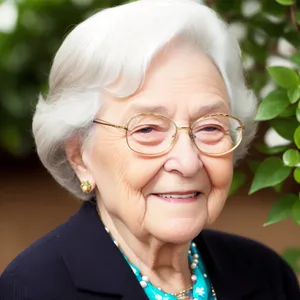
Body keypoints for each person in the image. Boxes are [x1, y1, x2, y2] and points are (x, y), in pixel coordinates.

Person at [1, 0, 299, 299]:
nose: (188, 162)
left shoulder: (267, 276)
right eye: (147, 130)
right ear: (80, 157)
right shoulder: (34, 289)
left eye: (209, 127)